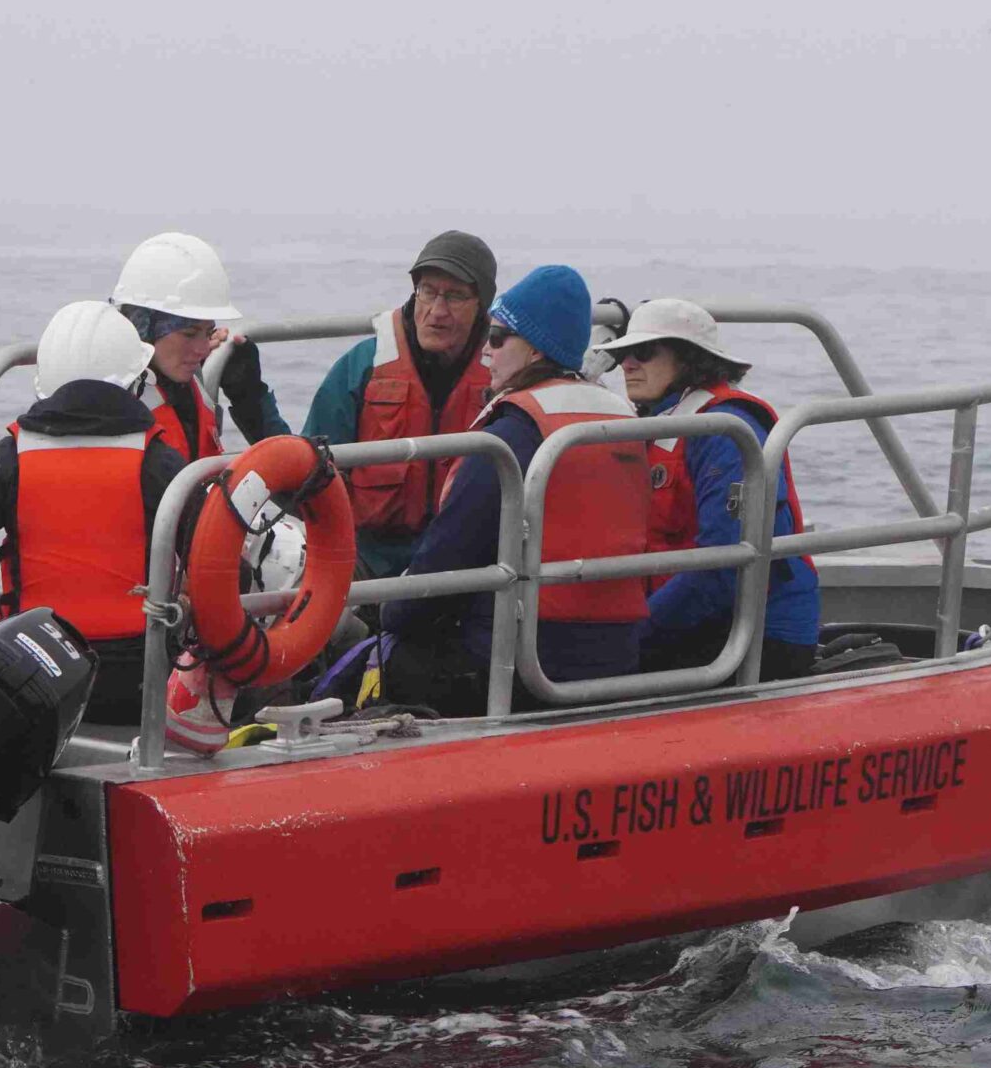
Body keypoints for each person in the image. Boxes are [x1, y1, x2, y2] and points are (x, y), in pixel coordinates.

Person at [376, 264, 648, 715]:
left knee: (378, 654)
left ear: (537, 348)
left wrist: (388, 615)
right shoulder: (622, 419)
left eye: (499, 338)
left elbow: (450, 555)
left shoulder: (514, 433)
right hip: (616, 656)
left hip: (516, 665)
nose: (486, 350)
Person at [0, 301, 183, 725]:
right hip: (140, 682)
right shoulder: (159, 463)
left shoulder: (15, 460)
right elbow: (216, 558)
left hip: (34, 679)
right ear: (137, 381)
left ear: (46, 384)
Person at [598, 298, 820, 681]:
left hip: (755, 635)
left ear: (688, 359)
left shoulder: (724, 432)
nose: (628, 364)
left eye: (644, 352)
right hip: (692, 620)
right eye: (623, 355)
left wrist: (635, 635)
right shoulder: (659, 424)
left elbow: (725, 567)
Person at [301, 230, 498, 579]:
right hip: (367, 560)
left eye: (455, 296)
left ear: (481, 305)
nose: (437, 311)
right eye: (428, 292)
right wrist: (249, 397)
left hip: (469, 560)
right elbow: (302, 469)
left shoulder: (502, 372)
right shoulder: (363, 366)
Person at [109, 231, 288, 463]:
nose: (203, 349)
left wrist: (249, 397)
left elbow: (291, 469)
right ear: (141, 326)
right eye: (189, 334)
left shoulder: (186, 386)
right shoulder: (107, 406)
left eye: (207, 333)